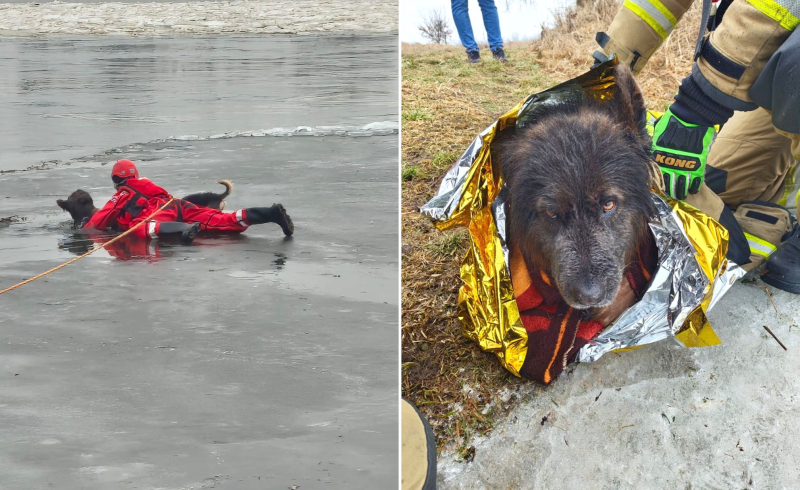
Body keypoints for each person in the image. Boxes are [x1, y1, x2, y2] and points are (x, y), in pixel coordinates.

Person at [592, 0, 799, 293]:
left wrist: (696, 109)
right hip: (775, 73)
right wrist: (604, 72)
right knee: (715, 184)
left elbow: (775, 7)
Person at [83, 159, 294, 244]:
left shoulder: (122, 192)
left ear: (115, 179)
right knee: (222, 219)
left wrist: (81, 230)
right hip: (177, 204)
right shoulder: (147, 183)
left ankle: (184, 230)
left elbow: (98, 222)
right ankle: (270, 213)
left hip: (158, 212)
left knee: (141, 228)